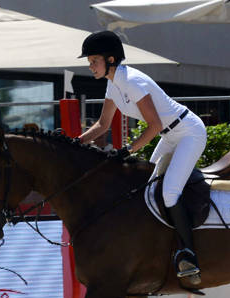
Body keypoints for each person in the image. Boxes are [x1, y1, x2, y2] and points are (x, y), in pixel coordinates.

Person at [77, 31, 206, 284]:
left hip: (189, 133)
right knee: (147, 188)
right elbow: (103, 125)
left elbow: (154, 124)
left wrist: (128, 149)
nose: (90, 66)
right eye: (89, 62)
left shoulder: (132, 81)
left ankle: (189, 253)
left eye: (94, 61)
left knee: (169, 192)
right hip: (170, 135)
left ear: (110, 59)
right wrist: (76, 142)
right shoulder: (113, 83)